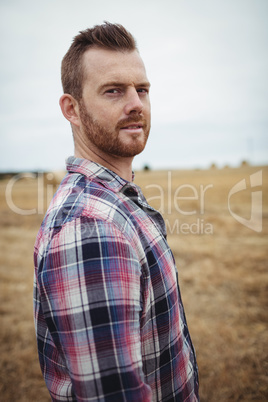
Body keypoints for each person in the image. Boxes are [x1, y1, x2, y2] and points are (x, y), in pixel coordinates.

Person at [33, 22, 199, 402]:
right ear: (71, 109)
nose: (136, 103)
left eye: (142, 90)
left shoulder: (114, 199)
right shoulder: (90, 227)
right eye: (113, 91)